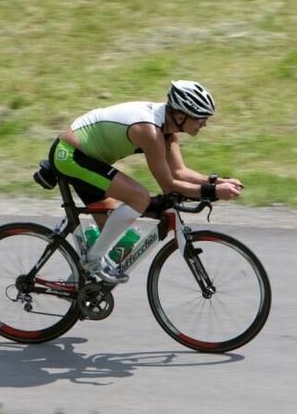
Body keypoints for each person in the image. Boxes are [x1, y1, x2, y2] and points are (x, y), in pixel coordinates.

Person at [48, 80, 244, 284]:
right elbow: (168, 185)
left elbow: (180, 172)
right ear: (180, 115)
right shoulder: (150, 131)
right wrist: (213, 192)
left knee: (111, 226)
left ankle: (76, 284)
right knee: (139, 198)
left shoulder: (168, 131)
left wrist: (218, 181)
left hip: (90, 159)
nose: (204, 124)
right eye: (200, 119)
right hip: (69, 156)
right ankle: (92, 262)